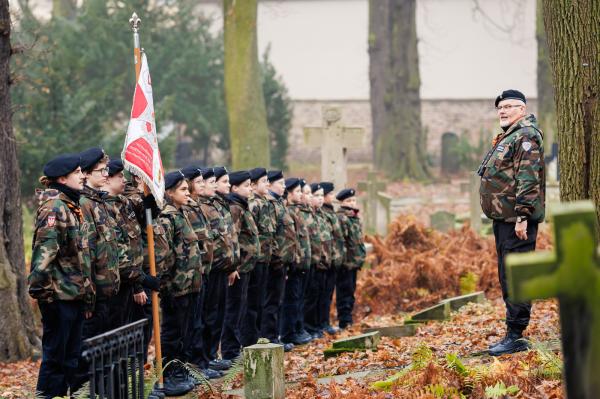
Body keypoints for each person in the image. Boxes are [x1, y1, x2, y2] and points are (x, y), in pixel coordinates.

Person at [478, 89, 545, 356]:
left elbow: (528, 178)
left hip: (517, 221)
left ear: (522, 108)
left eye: (509, 106)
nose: (503, 111)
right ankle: (512, 332)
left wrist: (522, 216)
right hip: (504, 219)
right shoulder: (510, 135)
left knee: (517, 276)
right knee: (507, 275)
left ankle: (516, 336)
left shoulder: (526, 136)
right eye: (500, 107)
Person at [29, 154, 94, 399]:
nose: (83, 175)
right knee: (55, 359)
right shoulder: (54, 208)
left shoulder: (71, 205)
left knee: (70, 359)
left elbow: (78, 257)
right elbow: (43, 256)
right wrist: (43, 295)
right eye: (78, 172)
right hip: (57, 297)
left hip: (73, 295)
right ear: (62, 178)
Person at [73, 147, 121, 391]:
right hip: (95, 295)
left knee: (105, 350)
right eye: (101, 171)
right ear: (87, 174)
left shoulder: (98, 202)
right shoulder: (84, 204)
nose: (106, 174)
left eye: (106, 170)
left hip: (108, 292)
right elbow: (86, 255)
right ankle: (84, 393)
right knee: (87, 353)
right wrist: (90, 299)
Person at [154, 171, 202, 395]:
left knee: (186, 331)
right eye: (183, 189)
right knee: (173, 333)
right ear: (170, 192)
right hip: (175, 286)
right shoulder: (167, 217)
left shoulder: (181, 214)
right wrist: (165, 284)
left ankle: (182, 369)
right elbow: (163, 256)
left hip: (189, 284)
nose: (187, 192)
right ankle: (170, 373)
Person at [180, 166, 222, 380]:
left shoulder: (195, 206)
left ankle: (203, 361)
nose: (204, 185)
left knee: (204, 319)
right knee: (194, 323)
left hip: (204, 271)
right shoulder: (185, 209)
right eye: (199, 182)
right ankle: (195, 364)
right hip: (191, 275)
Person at [103, 159, 148, 328]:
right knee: (116, 330)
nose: (124, 179)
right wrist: (138, 283)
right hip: (118, 281)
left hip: (132, 278)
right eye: (120, 176)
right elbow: (119, 249)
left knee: (128, 331)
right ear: (107, 179)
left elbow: (134, 243)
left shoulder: (124, 203)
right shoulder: (104, 208)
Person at [221, 171, 259, 361]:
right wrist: (233, 266)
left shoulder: (242, 206)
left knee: (241, 308)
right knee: (233, 309)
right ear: (235, 188)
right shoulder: (235, 208)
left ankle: (236, 348)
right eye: (246, 185)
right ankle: (230, 350)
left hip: (245, 267)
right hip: (238, 268)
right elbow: (232, 239)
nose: (250, 188)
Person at [203, 166, 236, 371]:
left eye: (220, 181)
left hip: (222, 267)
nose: (217, 185)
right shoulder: (203, 207)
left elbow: (228, 239)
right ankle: (204, 358)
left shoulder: (218, 204)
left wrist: (232, 265)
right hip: (211, 269)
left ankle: (212, 355)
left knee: (217, 315)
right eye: (214, 181)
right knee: (209, 316)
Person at [261, 170, 296, 352]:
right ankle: (269, 337)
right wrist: (276, 257)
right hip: (274, 261)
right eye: (280, 184)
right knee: (270, 302)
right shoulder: (269, 203)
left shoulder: (279, 203)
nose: (284, 187)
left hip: (282, 261)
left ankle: (274, 336)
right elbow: (271, 235)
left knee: (277, 301)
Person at [241, 167, 275, 347]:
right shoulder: (253, 204)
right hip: (255, 260)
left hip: (265, 259)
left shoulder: (265, 203)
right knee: (252, 304)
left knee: (260, 302)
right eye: (264, 181)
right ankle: (250, 341)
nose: (268, 184)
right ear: (253, 185)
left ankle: (259, 337)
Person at [280, 178, 312, 346]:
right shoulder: (289, 211)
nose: (300, 195)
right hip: (294, 264)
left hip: (301, 263)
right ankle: (289, 332)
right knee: (291, 300)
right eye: (298, 191)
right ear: (289, 193)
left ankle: (298, 329)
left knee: (298, 299)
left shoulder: (298, 211)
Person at [336, 188, 366, 330]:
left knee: (350, 292)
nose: (352, 203)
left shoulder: (354, 217)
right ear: (342, 202)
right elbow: (342, 242)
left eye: (354, 200)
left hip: (354, 262)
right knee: (344, 292)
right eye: (349, 201)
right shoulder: (342, 218)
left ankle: (348, 319)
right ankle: (344, 321)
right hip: (346, 263)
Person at [320, 182, 344, 335]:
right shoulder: (323, 213)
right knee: (321, 295)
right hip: (326, 260)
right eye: (330, 194)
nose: (333, 197)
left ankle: (325, 323)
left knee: (327, 294)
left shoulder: (330, 212)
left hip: (333, 259)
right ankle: (320, 324)